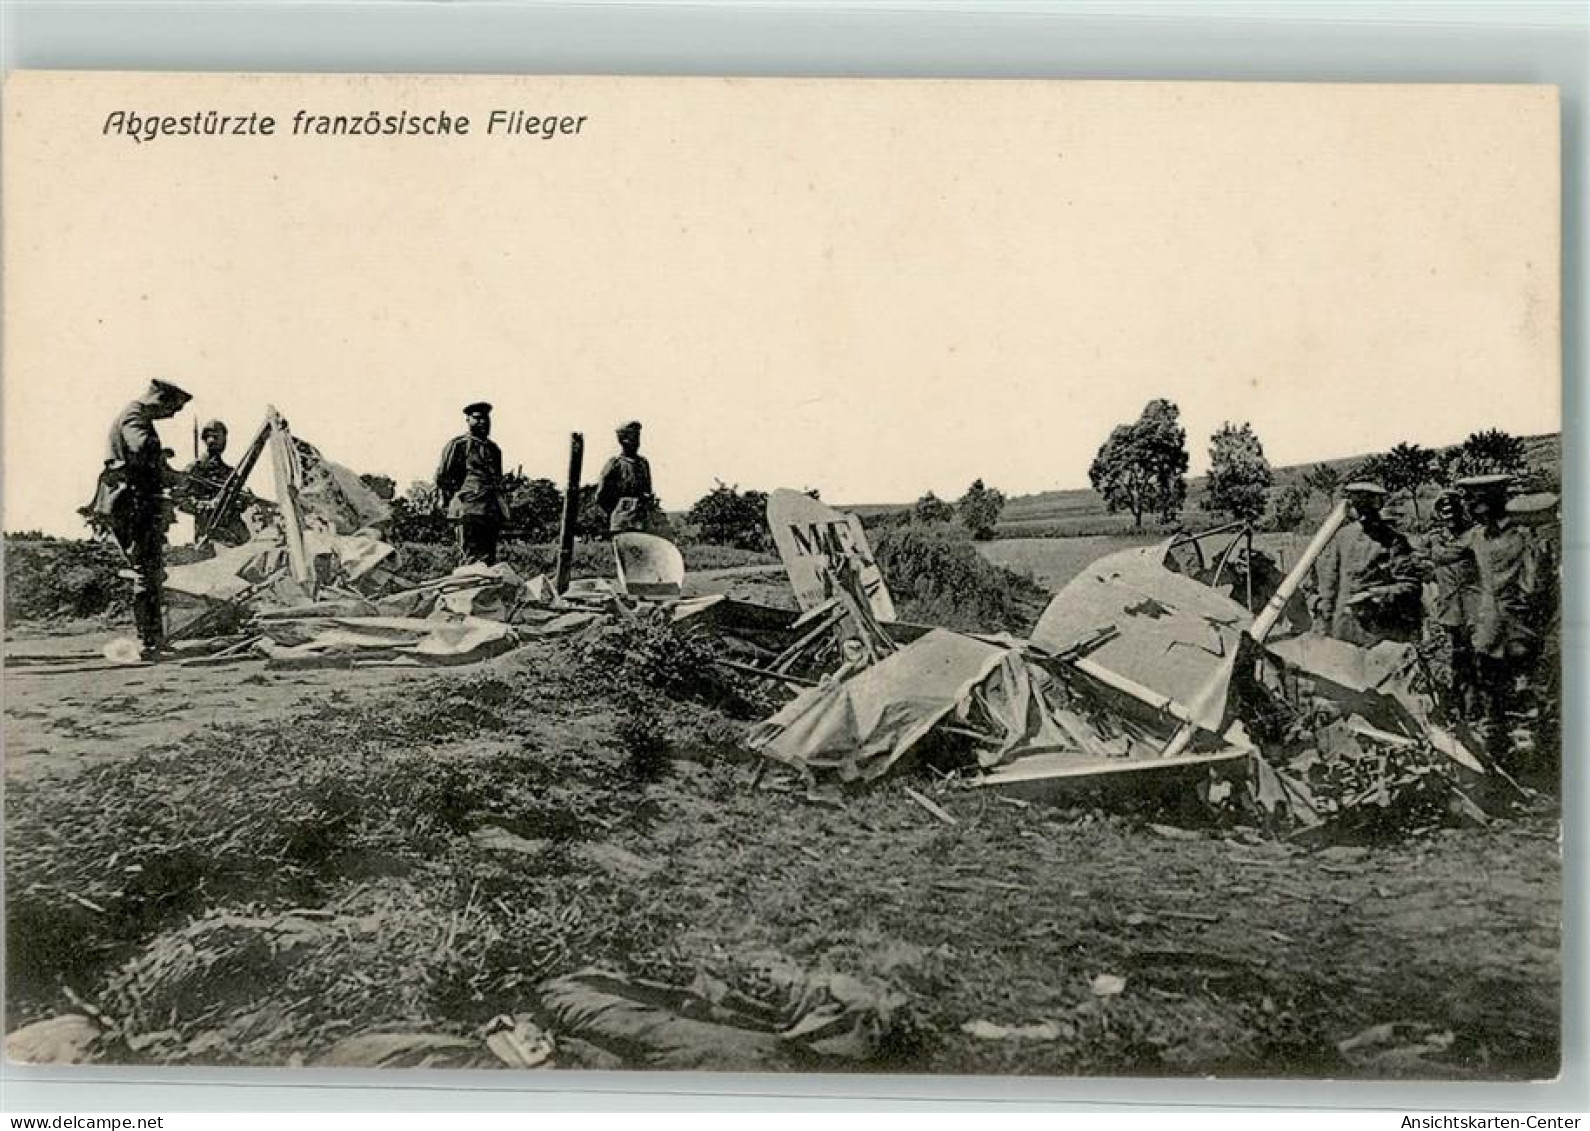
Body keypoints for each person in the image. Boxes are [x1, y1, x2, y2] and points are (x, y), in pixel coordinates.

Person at [86, 379, 193, 659]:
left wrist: (175, 475)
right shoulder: (134, 416)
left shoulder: (138, 415)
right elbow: (141, 448)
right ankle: (150, 643)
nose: (171, 416)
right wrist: (163, 460)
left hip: (138, 503)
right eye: (172, 409)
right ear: (159, 399)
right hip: (132, 504)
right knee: (146, 573)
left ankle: (154, 639)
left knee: (151, 571)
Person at [1455, 474, 1545, 765]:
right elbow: (1443, 556)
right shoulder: (1475, 536)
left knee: (1527, 696)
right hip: (1488, 630)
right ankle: (1499, 760)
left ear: (1491, 501)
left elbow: (1535, 587)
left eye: (1473, 500)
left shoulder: (1525, 534)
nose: (1467, 506)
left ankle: (1536, 763)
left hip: (1521, 631)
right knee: (1490, 697)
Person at [1309, 481, 1423, 646]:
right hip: (1343, 625)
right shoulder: (1342, 535)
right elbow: (1330, 579)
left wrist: (1375, 595)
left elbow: (1410, 585)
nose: (1363, 512)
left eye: (1368, 505)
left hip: (1377, 625)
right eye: (1358, 504)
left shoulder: (1394, 541)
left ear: (1377, 505)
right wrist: (1325, 615)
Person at [1422, 489, 1481, 718]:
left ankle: (1476, 709)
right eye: (1445, 512)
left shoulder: (1473, 535)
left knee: (1477, 659)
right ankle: (1459, 707)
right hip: (1450, 610)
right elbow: (1416, 558)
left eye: (1454, 510)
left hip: (1474, 609)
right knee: (1456, 660)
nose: (1450, 516)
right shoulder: (1434, 538)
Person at [435, 401, 508, 565]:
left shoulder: (494, 449)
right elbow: (443, 476)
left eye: (487, 418)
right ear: (468, 420)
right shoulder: (459, 445)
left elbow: (498, 479)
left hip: (491, 511)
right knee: (470, 559)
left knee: (489, 560)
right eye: (478, 418)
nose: (484, 422)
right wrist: (457, 499)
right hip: (469, 509)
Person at [181, 419, 252, 546]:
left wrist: (244, 500)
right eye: (212, 436)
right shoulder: (195, 469)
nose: (216, 441)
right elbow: (181, 500)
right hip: (210, 535)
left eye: (220, 437)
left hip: (235, 534)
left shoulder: (229, 472)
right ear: (205, 439)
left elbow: (242, 501)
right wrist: (207, 506)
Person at [596, 420, 658, 535]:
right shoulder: (614, 464)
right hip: (622, 525)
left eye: (638, 437)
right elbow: (601, 495)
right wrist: (619, 509)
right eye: (633, 437)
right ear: (623, 440)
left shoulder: (643, 463)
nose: (637, 442)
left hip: (642, 524)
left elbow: (648, 490)